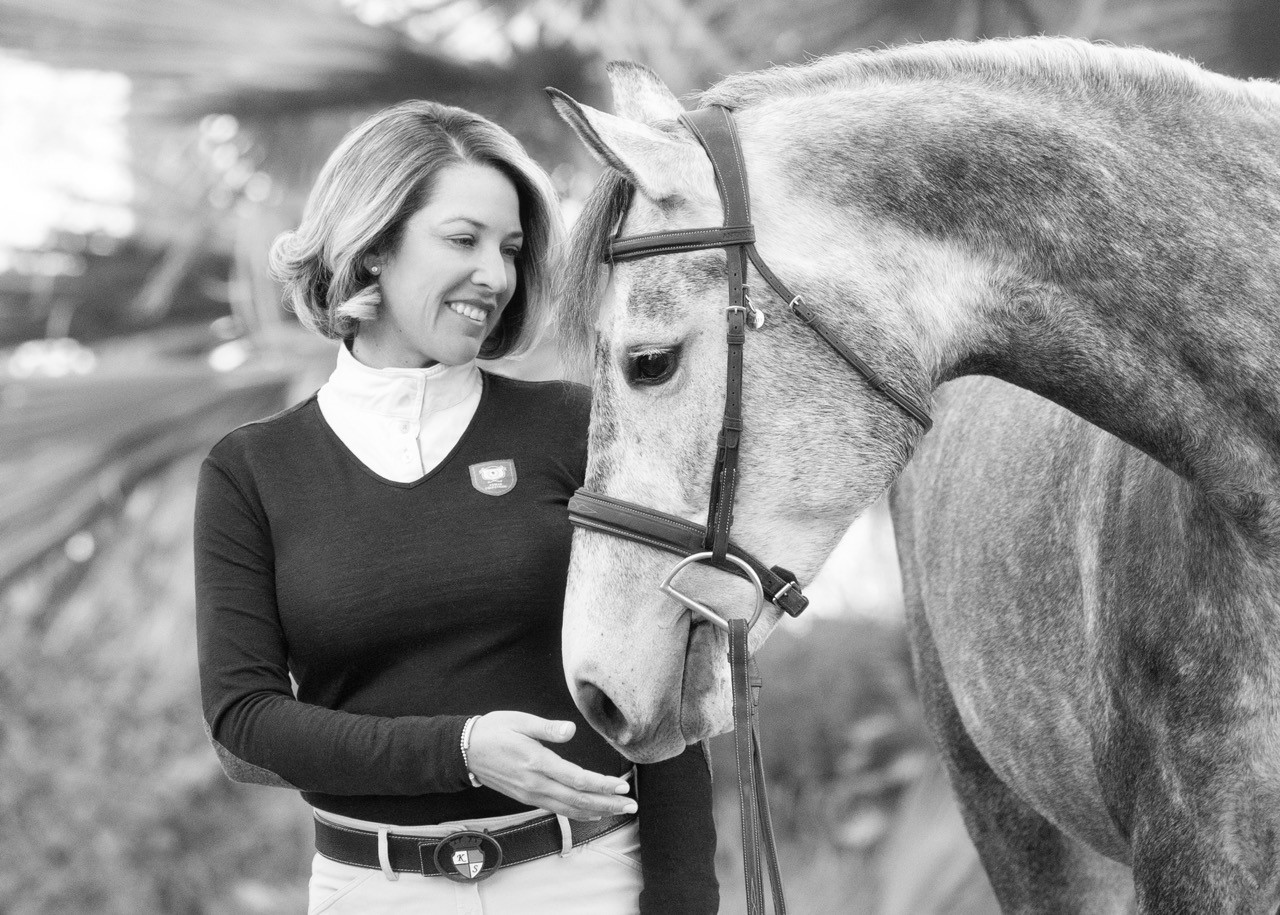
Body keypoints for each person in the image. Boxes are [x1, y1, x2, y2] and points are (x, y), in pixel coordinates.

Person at [194, 100, 718, 914]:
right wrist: (462, 749)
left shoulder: (577, 427)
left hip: (588, 881)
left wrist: (685, 903)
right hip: (370, 893)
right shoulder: (251, 470)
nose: (498, 277)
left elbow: (660, 693)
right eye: (463, 239)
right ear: (373, 246)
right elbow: (245, 722)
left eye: (509, 249)